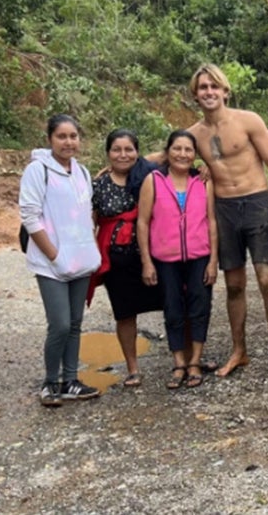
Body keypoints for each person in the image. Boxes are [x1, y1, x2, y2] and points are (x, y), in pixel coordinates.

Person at [185, 64, 268, 379]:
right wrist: (119, 164)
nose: (209, 92)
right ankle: (239, 351)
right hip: (224, 209)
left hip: (257, 203)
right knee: (233, 285)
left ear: (225, 91)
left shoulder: (248, 121)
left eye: (214, 87)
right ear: (195, 94)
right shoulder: (194, 135)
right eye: (203, 87)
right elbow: (167, 157)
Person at [19, 114, 103, 407]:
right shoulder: (37, 171)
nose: (68, 142)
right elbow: (29, 216)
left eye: (73, 136)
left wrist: (87, 248)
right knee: (60, 324)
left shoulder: (81, 172)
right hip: (50, 263)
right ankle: (50, 382)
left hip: (79, 261)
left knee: (76, 323)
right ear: (50, 139)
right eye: (62, 137)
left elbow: (85, 213)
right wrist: (54, 254)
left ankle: (71, 381)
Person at [137, 130, 219, 390]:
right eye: (177, 149)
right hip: (165, 258)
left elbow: (212, 222)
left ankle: (195, 361)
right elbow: (143, 222)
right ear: (168, 152)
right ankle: (178, 362)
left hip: (199, 255)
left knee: (200, 307)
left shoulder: (203, 181)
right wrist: (147, 262)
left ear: (195, 155)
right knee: (172, 309)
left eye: (188, 150)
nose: (182, 154)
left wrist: (213, 260)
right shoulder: (154, 180)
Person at [90, 129, 164, 388]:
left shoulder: (150, 177)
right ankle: (133, 368)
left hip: (153, 255)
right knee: (125, 313)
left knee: (173, 304)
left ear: (137, 152)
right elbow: (92, 223)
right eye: (116, 150)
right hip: (117, 260)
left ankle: (184, 360)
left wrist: (203, 170)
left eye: (128, 149)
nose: (123, 155)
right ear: (108, 153)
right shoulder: (97, 186)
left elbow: (178, 152)